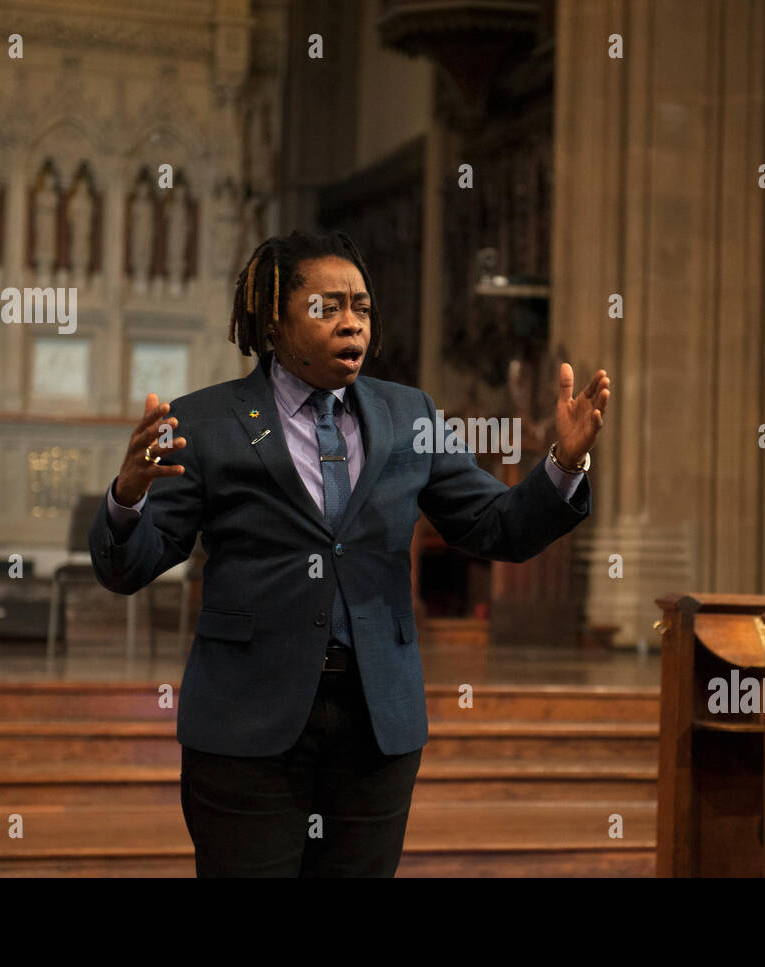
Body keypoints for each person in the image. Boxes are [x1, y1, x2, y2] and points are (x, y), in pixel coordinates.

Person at [89, 230, 611, 876]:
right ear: (274, 320)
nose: (351, 323)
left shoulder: (408, 414)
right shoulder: (206, 422)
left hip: (375, 723)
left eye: (361, 307)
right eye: (327, 307)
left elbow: (494, 525)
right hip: (247, 725)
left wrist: (562, 462)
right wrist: (126, 498)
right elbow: (127, 566)